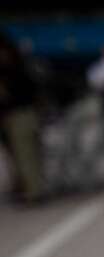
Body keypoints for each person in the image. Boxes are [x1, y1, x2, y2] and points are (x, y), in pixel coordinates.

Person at [0, 33, 45, 203]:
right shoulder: (16, 68)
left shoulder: (16, 71)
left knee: (26, 155)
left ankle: (33, 192)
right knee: (21, 155)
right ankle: (27, 188)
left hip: (21, 115)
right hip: (18, 115)